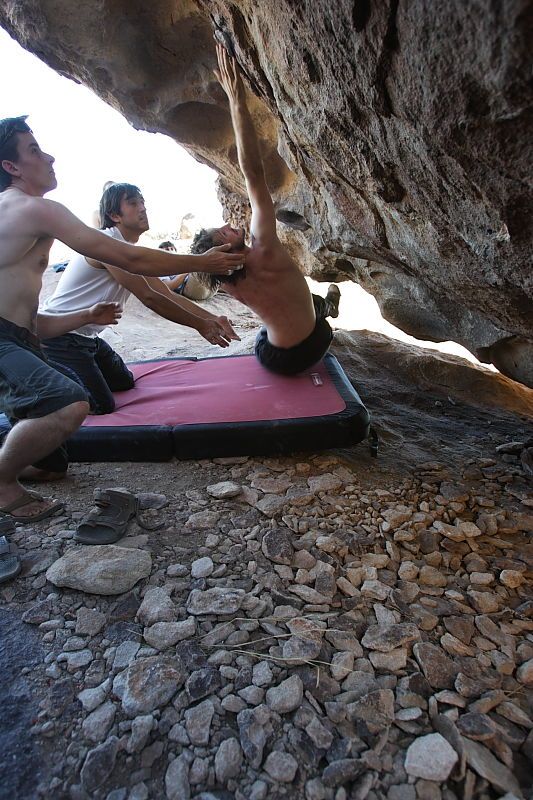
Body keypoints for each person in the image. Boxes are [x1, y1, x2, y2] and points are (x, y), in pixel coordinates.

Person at [0, 115, 244, 522]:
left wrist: (85, 316)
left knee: (51, 466)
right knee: (70, 404)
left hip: (28, 335)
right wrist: (200, 260)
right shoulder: (33, 209)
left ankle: (15, 450)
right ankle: (2, 482)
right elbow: (137, 269)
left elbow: (29, 320)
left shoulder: (22, 214)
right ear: (11, 167)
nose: (49, 157)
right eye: (34, 151)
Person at [191, 44, 340, 376]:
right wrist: (237, 101)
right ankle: (325, 307)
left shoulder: (228, 282)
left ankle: (324, 306)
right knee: (302, 317)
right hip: (314, 344)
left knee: (277, 325)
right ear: (225, 247)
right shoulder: (265, 248)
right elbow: (252, 172)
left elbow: (204, 269)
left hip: (283, 360)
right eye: (224, 230)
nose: (230, 224)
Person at [42, 182, 240, 415]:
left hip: (87, 339)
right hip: (59, 337)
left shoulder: (128, 251)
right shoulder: (105, 243)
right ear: (114, 215)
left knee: (123, 382)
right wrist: (200, 325)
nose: (143, 208)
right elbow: (149, 297)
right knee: (101, 405)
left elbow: (164, 292)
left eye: (143, 202)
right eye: (133, 203)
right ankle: (44, 370)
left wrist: (213, 318)